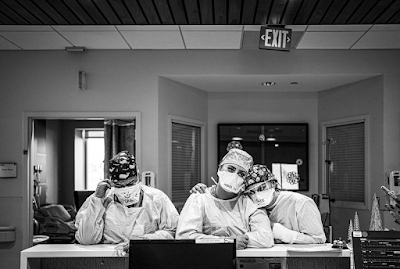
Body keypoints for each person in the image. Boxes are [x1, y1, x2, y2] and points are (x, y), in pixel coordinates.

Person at [75, 151, 179, 255]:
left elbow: (172, 232)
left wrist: (141, 241)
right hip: (108, 258)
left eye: (130, 183)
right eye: (120, 186)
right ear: (111, 182)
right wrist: (97, 200)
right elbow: (85, 239)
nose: (126, 190)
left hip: (147, 256)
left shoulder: (156, 198)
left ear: (138, 177)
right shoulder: (102, 199)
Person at [191, 164, 326, 244]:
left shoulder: (300, 203)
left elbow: (319, 239)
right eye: (251, 192)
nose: (257, 195)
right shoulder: (251, 205)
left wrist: (285, 234)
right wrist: (205, 190)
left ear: (273, 183)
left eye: (261, 188)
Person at [176, 147, 274, 250]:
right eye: (231, 169)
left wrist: (238, 241)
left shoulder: (248, 202)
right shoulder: (200, 197)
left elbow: (266, 238)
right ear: (219, 169)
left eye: (241, 174)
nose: (234, 175)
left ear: (245, 180)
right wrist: (228, 242)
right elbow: (184, 236)